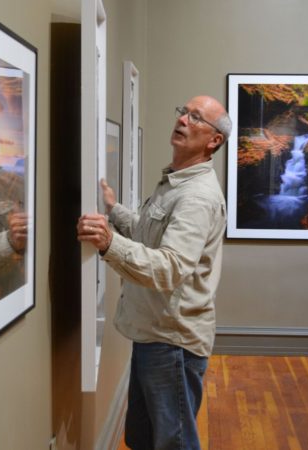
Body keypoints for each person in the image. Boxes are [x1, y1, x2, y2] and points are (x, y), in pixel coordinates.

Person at [77, 95, 231, 450]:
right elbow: (152, 237)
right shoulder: (175, 183)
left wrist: (108, 243)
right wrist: (114, 211)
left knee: (173, 443)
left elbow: (170, 268)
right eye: (184, 112)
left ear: (214, 141)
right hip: (154, 333)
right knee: (144, 438)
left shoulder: (196, 197)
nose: (183, 120)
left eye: (196, 118)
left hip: (171, 342)